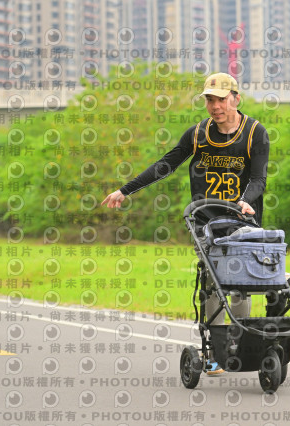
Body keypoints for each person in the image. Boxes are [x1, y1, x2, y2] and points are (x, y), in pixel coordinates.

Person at [102, 72, 270, 374]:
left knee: (241, 283)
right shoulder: (197, 134)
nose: (215, 106)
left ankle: (239, 344)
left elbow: (258, 179)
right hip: (206, 223)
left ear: (236, 99)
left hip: (242, 220)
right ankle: (215, 352)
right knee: (213, 281)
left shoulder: (255, 132)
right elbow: (165, 165)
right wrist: (125, 190)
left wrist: (246, 201)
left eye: (221, 99)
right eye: (210, 100)